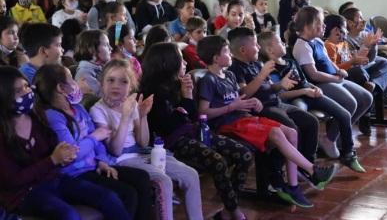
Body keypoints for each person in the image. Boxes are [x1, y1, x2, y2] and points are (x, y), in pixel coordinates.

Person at [197, 36, 336, 209]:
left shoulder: (229, 75)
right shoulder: (208, 80)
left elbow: (239, 98)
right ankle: (312, 170)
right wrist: (234, 106)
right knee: (276, 133)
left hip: (243, 118)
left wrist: (251, 103)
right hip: (228, 125)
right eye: (226, 51)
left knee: (291, 132)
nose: (230, 54)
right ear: (216, 58)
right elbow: (203, 112)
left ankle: (293, 186)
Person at [0, 66, 132, 220]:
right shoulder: (3, 134)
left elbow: (58, 153)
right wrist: (53, 160)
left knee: (109, 198)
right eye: (18, 91)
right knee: (69, 215)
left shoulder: (37, 118)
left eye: (25, 86)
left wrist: (64, 155)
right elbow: (12, 180)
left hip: (53, 180)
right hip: (23, 194)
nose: (26, 92)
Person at [140, 42, 252, 220]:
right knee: (218, 162)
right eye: (180, 59)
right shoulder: (151, 93)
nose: (185, 63)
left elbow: (191, 116)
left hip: (192, 131)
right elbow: (168, 127)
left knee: (243, 154)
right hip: (172, 142)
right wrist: (184, 102)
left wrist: (187, 97)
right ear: (168, 63)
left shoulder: (178, 84)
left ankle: (227, 209)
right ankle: (234, 211)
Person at [34, 64, 153, 220]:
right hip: (72, 175)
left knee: (142, 178)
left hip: (94, 167)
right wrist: (94, 137)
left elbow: (99, 142)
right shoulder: (53, 116)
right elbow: (72, 154)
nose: (78, 82)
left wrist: (102, 161)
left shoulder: (78, 109)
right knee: (125, 194)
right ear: (61, 88)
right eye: (72, 79)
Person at [90, 59, 203, 220]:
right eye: (111, 80)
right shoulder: (98, 110)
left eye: (123, 81)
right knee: (163, 182)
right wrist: (125, 117)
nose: (116, 85)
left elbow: (142, 142)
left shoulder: (131, 104)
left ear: (131, 86)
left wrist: (142, 116)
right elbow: (115, 150)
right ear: (102, 83)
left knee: (190, 174)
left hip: (142, 154)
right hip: (121, 159)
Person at [258, 30, 365, 172]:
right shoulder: (270, 69)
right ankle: (306, 161)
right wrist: (304, 91)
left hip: (309, 94)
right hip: (295, 98)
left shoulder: (290, 61)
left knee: (344, 114)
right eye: (279, 42)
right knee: (303, 119)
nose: (283, 43)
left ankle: (348, 154)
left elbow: (304, 81)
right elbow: (281, 95)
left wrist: (314, 88)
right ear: (269, 50)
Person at [227, 27, 320, 168]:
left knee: (311, 122)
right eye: (255, 44)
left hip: (277, 103)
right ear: (243, 50)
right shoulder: (235, 68)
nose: (258, 47)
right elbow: (244, 94)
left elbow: (270, 87)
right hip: (263, 108)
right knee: (292, 129)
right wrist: (261, 76)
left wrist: (281, 84)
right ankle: (278, 170)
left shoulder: (256, 63)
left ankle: (308, 163)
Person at [291, 6, 373, 137]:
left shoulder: (317, 40)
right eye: (319, 23)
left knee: (366, 98)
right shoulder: (302, 46)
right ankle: (331, 138)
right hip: (320, 84)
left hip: (333, 79)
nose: (324, 26)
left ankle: (341, 132)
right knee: (350, 103)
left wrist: (338, 70)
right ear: (307, 27)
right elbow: (314, 75)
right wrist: (335, 78)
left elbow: (328, 61)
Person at [327, 12, 387, 133]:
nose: (363, 21)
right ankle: (366, 112)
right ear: (348, 25)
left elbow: (366, 59)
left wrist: (372, 46)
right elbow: (339, 66)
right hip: (350, 73)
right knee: (382, 76)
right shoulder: (335, 43)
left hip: (360, 68)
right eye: (359, 18)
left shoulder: (344, 42)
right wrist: (357, 57)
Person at [74, 30, 112, 98]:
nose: (111, 48)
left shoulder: (100, 68)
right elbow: (106, 99)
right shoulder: (85, 74)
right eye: (106, 45)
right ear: (92, 49)